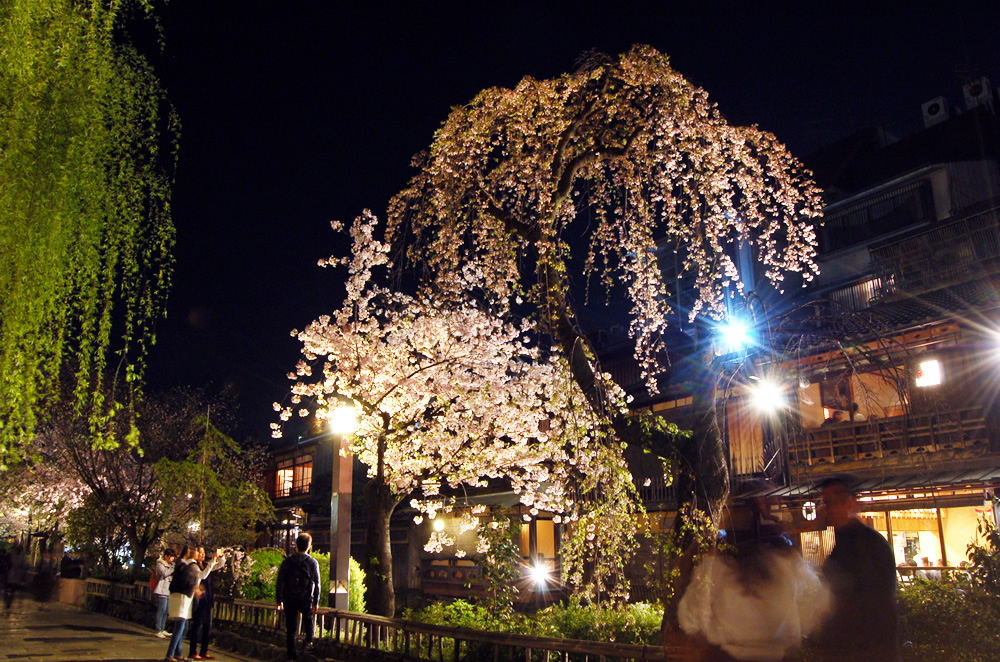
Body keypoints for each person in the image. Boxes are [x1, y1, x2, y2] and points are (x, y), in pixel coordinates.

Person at [817, 477, 899, 661]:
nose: (826, 510)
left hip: (865, 646)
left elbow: (871, 599)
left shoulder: (866, 544)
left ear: (849, 503)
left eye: (829, 503)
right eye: (825, 503)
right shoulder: (846, 541)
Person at [276, 533, 321, 660]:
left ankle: (291, 655)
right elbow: (317, 583)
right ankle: (309, 642)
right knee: (308, 618)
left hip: (289, 598)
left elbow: (280, 581)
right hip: (305, 598)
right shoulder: (312, 562)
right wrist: (316, 601)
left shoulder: (287, 562)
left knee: (291, 628)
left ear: (296, 545)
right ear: (309, 546)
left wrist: (279, 600)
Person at [188, 546, 225, 660]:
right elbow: (203, 574)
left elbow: (219, 565)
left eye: (203, 552)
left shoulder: (205, 564)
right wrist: (213, 560)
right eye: (200, 552)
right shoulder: (194, 566)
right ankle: (193, 651)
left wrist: (221, 556)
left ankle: (204, 651)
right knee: (197, 625)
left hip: (208, 597)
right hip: (199, 599)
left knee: (207, 626)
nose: (202, 555)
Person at [165, 546, 202, 662]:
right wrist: (195, 588)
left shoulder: (185, 564)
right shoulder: (188, 565)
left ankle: (178, 653)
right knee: (180, 627)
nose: (198, 554)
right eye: (197, 552)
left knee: (183, 627)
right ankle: (169, 655)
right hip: (182, 598)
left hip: (182, 597)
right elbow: (195, 578)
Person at [152, 548, 176, 638]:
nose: (172, 558)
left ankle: (162, 629)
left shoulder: (171, 565)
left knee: (166, 611)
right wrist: (172, 568)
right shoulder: (160, 564)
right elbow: (164, 573)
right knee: (161, 610)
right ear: (166, 556)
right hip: (161, 590)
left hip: (168, 591)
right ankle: (158, 630)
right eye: (171, 556)